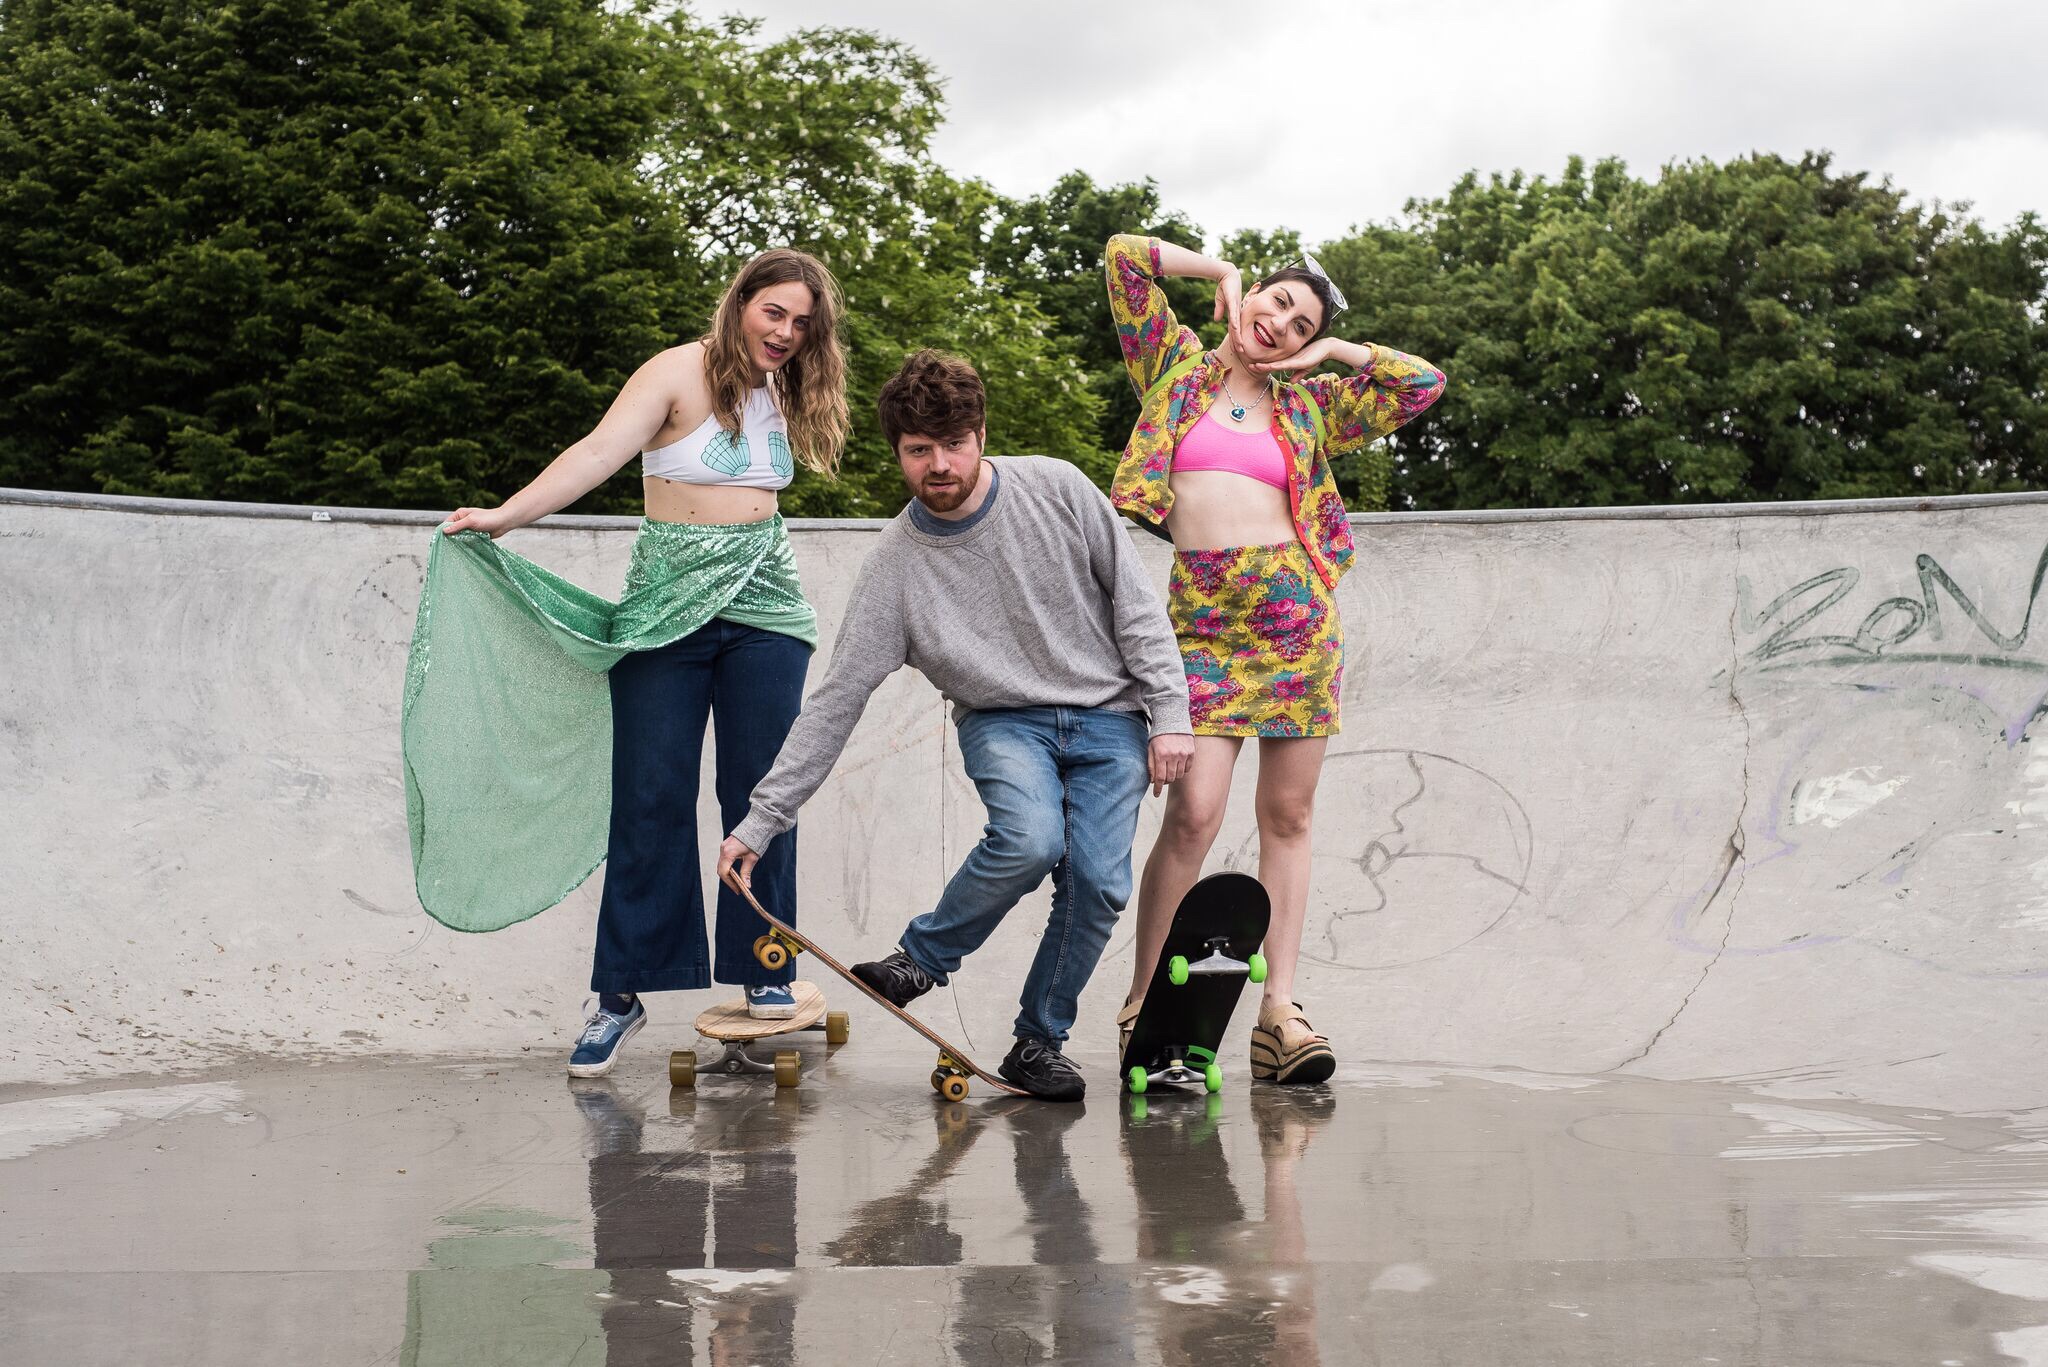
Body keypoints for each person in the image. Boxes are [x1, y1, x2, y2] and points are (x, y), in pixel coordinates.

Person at [405, 248, 850, 1078]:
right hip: (665, 608)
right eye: (774, 313)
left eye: (802, 322)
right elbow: (596, 452)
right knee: (649, 795)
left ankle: (764, 966)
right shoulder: (675, 373)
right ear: (741, 302)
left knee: (763, 794)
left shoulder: (788, 386)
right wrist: (507, 516)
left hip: (767, 608)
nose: (787, 332)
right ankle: (621, 992)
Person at [715, 349, 1194, 1101]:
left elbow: (1137, 606)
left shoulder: (1059, 488)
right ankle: (921, 960)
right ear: (897, 452)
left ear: (981, 436)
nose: (939, 465)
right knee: (1030, 839)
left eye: (954, 444)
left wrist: (1171, 715)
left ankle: (1038, 1042)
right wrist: (761, 819)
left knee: (1099, 884)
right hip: (1003, 722)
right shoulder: (895, 567)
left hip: (1111, 718)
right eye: (919, 450)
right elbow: (838, 699)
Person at [1104, 232, 1445, 1083]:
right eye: (1278, 302)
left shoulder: (1311, 405)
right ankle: (1145, 1002)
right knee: (1194, 813)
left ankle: (1279, 1012)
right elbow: (1124, 258)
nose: (1281, 325)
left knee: (1288, 817)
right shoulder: (1172, 367)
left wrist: (1336, 352)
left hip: (1298, 630)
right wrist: (1219, 270)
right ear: (1252, 294)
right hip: (1201, 630)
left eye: (1301, 325)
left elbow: (1421, 384)